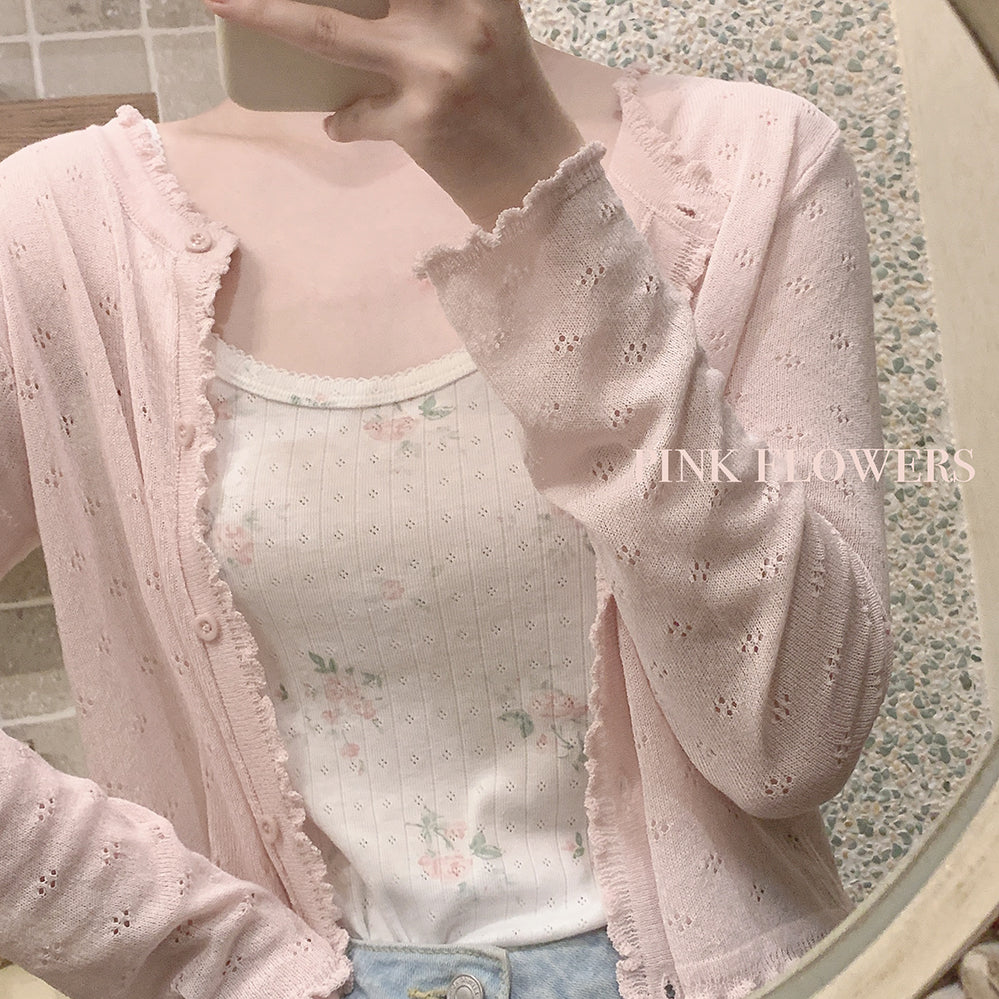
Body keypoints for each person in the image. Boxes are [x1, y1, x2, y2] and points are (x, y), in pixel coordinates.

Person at [0, 0, 894, 995]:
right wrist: (208, 959)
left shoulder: (749, 161)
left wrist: (542, 194)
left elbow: (791, 741)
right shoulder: (54, 231)